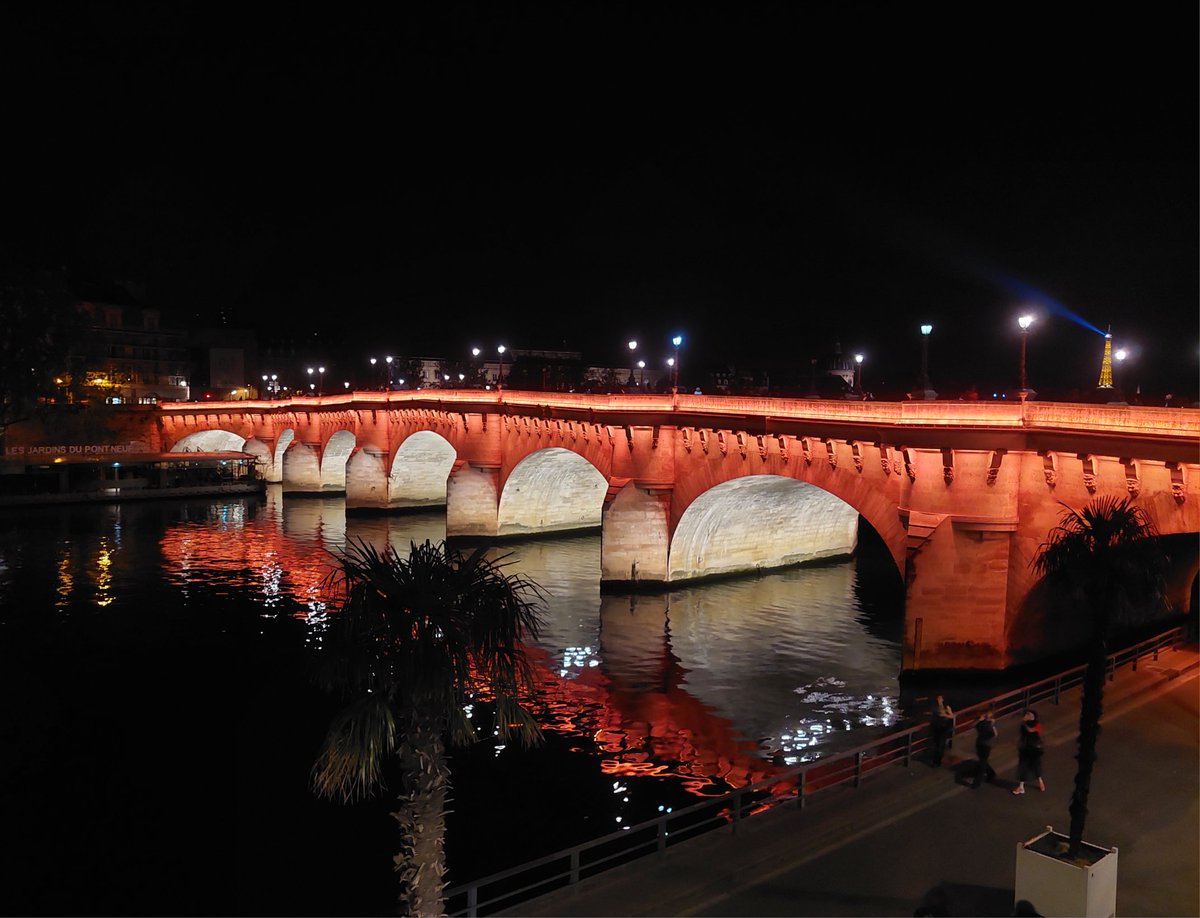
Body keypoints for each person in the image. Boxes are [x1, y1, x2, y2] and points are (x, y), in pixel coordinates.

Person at [1012, 709, 1045, 794]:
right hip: (1025, 748)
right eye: (1026, 714)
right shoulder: (1023, 725)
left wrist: (1024, 722)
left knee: (1035, 765)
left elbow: (1031, 730)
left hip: (1034, 749)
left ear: (1033, 716)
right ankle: (1021, 787)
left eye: (1029, 714)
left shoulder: (1036, 724)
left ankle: (1040, 781)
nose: (1026, 715)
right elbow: (1023, 736)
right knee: (1023, 766)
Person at [972, 707, 997, 788]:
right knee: (983, 761)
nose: (987, 716)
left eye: (989, 715)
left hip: (986, 745)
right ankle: (991, 773)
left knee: (982, 764)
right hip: (979, 743)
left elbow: (995, 734)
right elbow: (971, 725)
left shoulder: (990, 723)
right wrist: (979, 719)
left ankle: (977, 782)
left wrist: (992, 725)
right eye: (986, 714)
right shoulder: (980, 722)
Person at [928, 695, 954, 767]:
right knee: (936, 744)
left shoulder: (946, 707)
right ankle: (935, 760)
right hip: (936, 727)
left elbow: (952, 716)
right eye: (937, 699)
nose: (938, 700)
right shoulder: (935, 707)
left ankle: (938, 761)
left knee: (940, 745)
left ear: (942, 699)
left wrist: (944, 715)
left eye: (940, 699)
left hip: (943, 728)